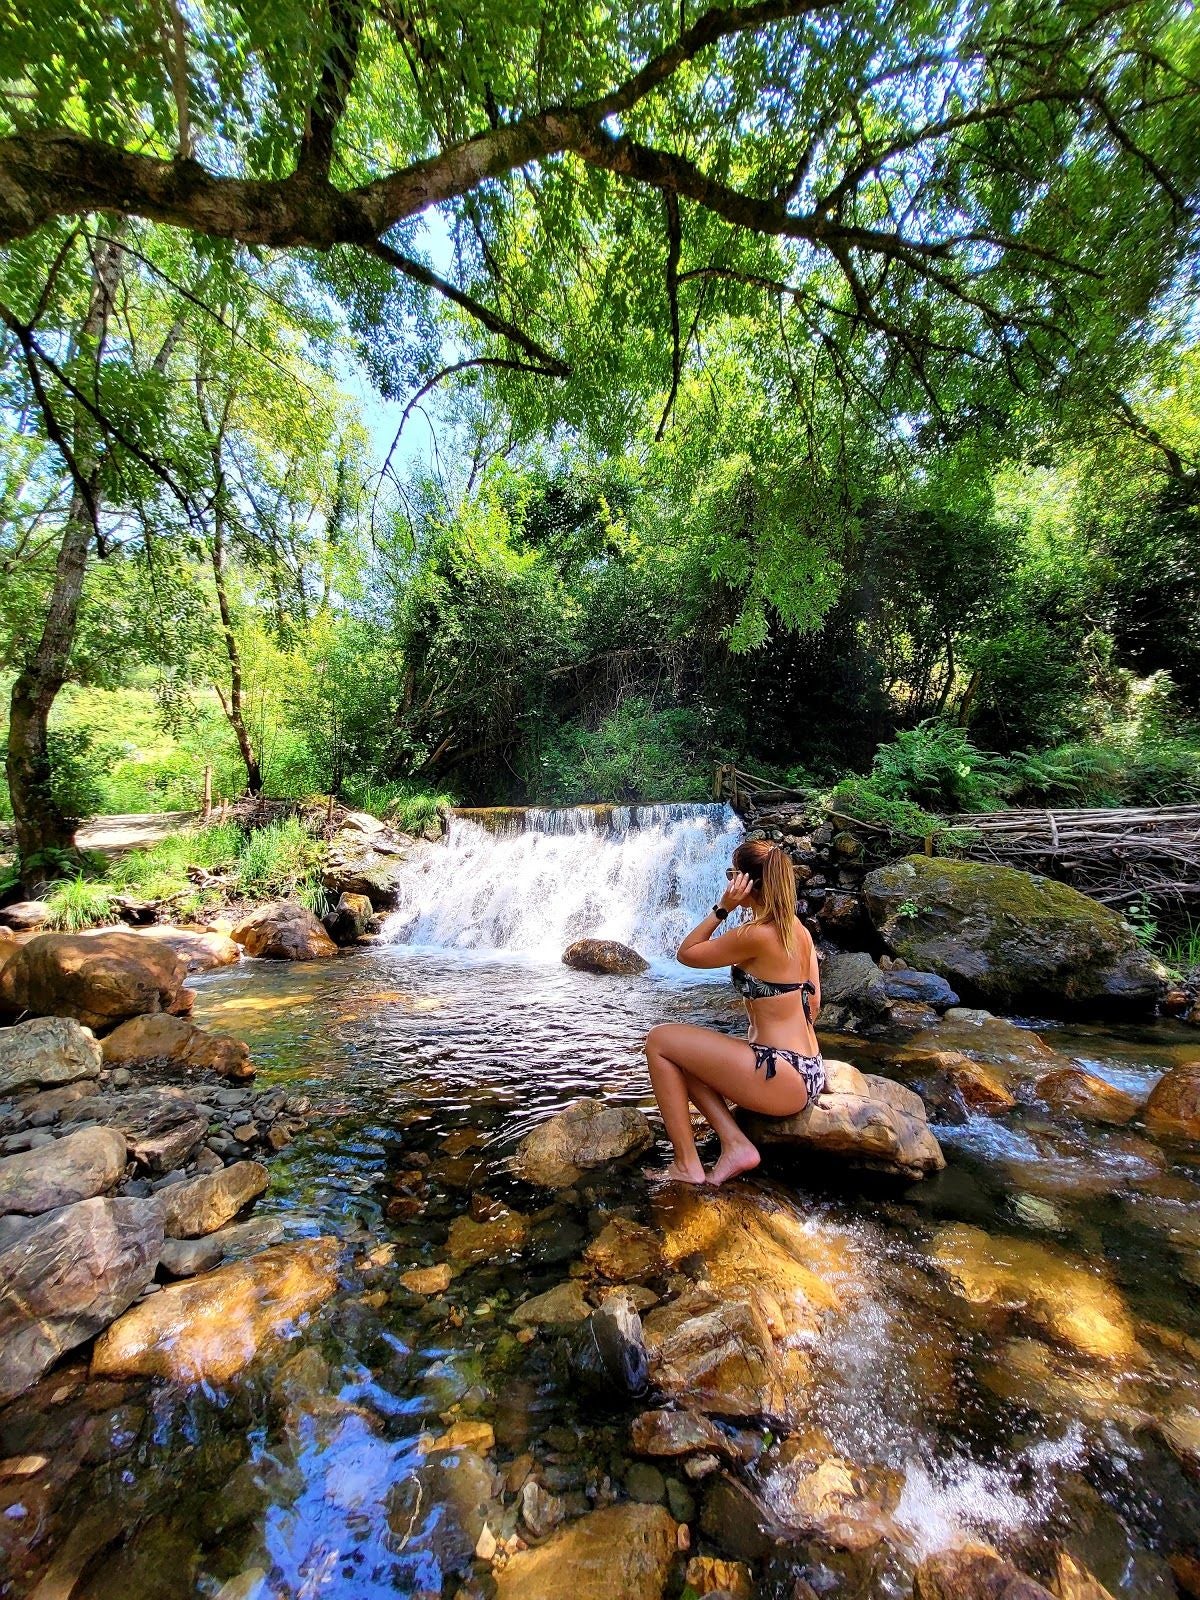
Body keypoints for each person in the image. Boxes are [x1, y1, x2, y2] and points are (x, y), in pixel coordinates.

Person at [643, 837, 823, 1186]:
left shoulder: (755, 934)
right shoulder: (797, 931)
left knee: (659, 1040)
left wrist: (723, 907)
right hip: (807, 1069)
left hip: (778, 1072)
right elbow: (812, 1004)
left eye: (732, 874)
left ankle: (686, 1165)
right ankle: (735, 1143)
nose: (729, 882)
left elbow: (687, 953)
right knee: (685, 1055)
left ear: (745, 883)